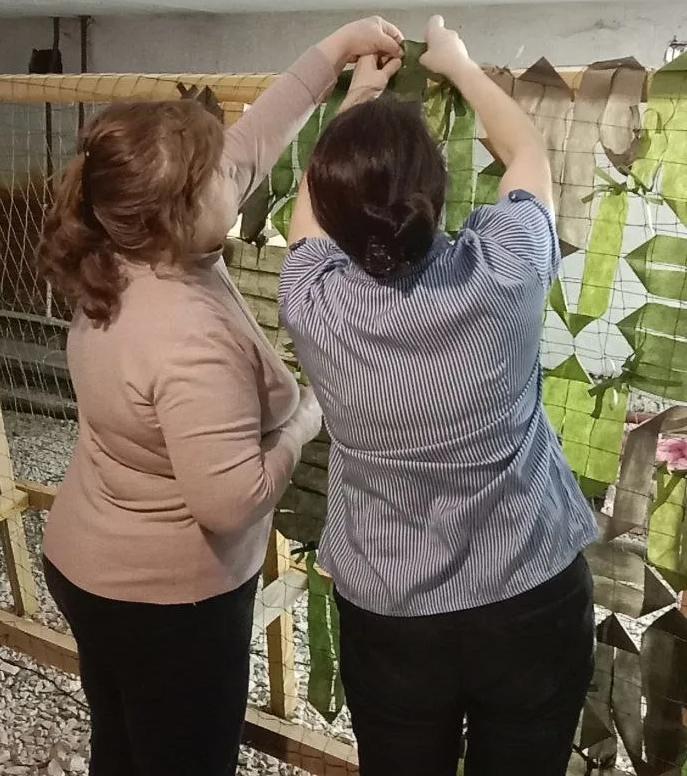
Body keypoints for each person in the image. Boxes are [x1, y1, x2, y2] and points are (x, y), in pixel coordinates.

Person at [36, 17, 403, 776]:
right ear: (182, 213)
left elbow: (257, 137)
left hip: (88, 562)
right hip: (164, 605)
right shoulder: (190, 340)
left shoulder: (122, 244)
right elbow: (231, 503)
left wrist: (340, 58)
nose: (238, 174)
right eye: (221, 177)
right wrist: (304, 419)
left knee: (123, 749)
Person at [279, 16, 598, 776]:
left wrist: (359, 95)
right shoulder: (506, 271)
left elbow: (314, 208)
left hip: (390, 613)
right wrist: (458, 66)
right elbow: (527, 152)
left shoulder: (311, 304)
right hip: (528, 591)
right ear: (436, 191)